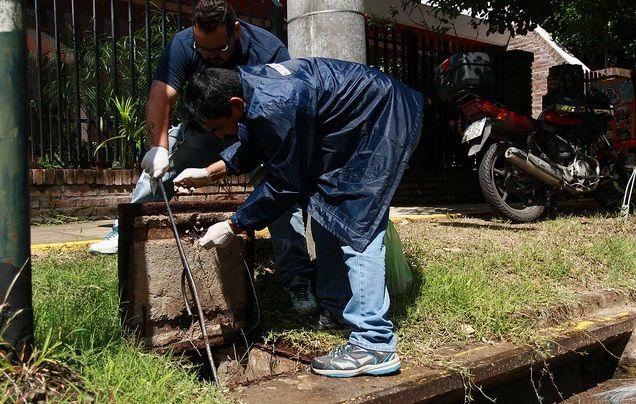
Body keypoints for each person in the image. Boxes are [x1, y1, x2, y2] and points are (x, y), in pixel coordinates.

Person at [174, 59, 423, 377]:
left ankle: (374, 343)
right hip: (353, 120)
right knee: (327, 210)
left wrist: (234, 224)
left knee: (357, 223)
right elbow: (257, 142)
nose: (223, 136)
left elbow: (283, 184)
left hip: (381, 116)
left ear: (234, 104)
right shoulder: (248, 89)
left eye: (219, 128)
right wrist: (208, 173)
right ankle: (338, 308)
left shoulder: (276, 103)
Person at [88, 0, 316, 315]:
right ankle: (126, 228)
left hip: (256, 134)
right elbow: (161, 95)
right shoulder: (183, 45)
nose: (209, 56)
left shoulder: (268, 50)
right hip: (206, 131)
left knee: (280, 197)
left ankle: (297, 280)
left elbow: (284, 106)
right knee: (164, 162)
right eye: (202, 49)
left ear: (236, 31)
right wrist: (158, 148)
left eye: (219, 49)